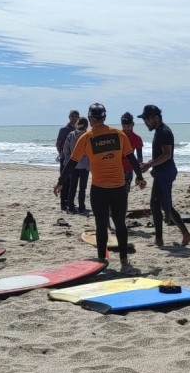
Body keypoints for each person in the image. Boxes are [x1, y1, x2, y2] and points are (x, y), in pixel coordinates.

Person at [54, 103, 147, 269]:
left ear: (90, 119)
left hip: (99, 188)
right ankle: (124, 260)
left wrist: (61, 182)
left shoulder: (86, 138)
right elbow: (131, 158)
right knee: (120, 223)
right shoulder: (119, 135)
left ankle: (102, 259)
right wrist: (139, 177)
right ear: (104, 118)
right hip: (119, 187)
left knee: (101, 224)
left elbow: (71, 163)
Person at [138, 105, 190, 247]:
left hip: (165, 172)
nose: (145, 122)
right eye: (144, 119)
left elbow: (167, 154)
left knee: (155, 204)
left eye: (147, 119)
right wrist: (150, 163)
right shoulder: (159, 131)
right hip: (163, 171)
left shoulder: (164, 132)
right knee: (163, 204)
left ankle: (159, 239)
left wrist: (150, 164)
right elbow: (161, 155)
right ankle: (186, 234)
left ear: (156, 117)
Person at [60, 117, 90, 213]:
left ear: (77, 124)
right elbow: (91, 151)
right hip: (84, 165)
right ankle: (81, 207)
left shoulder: (71, 134)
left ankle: (70, 206)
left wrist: (69, 160)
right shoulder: (88, 135)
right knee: (82, 188)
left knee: (72, 186)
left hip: (73, 165)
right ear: (86, 125)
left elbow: (65, 150)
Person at [55, 110, 80, 211]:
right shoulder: (64, 129)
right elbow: (58, 143)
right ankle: (63, 203)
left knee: (72, 182)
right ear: (69, 117)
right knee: (64, 181)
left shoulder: (79, 130)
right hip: (65, 159)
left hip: (76, 159)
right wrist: (62, 154)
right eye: (73, 116)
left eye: (76, 116)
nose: (74, 118)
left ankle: (70, 202)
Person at [120, 112, 144, 191]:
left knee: (125, 192)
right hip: (117, 167)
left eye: (129, 126)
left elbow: (139, 157)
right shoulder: (118, 136)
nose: (127, 129)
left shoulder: (137, 138)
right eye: (124, 126)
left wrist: (139, 174)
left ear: (133, 124)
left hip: (128, 169)